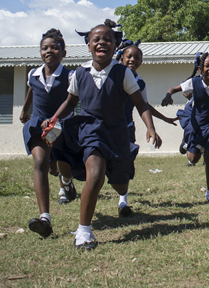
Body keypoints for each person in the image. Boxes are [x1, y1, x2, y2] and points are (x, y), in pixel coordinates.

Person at [46, 19, 162, 250]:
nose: (102, 42)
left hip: (118, 133)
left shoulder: (123, 73)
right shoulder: (79, 73)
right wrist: (54, 119)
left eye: (107, 39)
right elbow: (70, 102)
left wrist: (150, 127)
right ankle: (84, 232)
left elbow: (141, 104)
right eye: (96, 39)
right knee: (96, 174)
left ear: (115, 46)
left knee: (120, 184)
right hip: (90, 130)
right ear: (88, 45)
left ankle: (121, 192)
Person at [18, 28, 76, 237]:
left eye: (54, 47)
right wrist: (26, 108)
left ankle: (67, 183)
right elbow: (32, 88)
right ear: (40, 52)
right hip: (37, 125)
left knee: (63, 168)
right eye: (44, 48)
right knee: (41, 162)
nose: (48, 51)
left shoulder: (70, 75)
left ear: (63, 53)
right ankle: (45, 218)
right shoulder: (33, 74)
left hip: (63, 127)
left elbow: (73, 100)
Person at [117, 39, 178, 215]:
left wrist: (163, 120)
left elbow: (143, 105)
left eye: (137, 58)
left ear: (141, 62)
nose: (132, 60)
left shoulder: (140, 83)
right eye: (129, 56)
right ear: (122, 57)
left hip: (126, 126)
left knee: (126, 162)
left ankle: (123, 202)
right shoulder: (113, 74)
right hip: (106, 125)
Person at [162, 53, 209, 203]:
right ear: (200, 69)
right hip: (196, 124)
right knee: (192, 158)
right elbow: (173, 89)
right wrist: (168, 95)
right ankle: (187, 141)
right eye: (207, 66)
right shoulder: (193, 82)